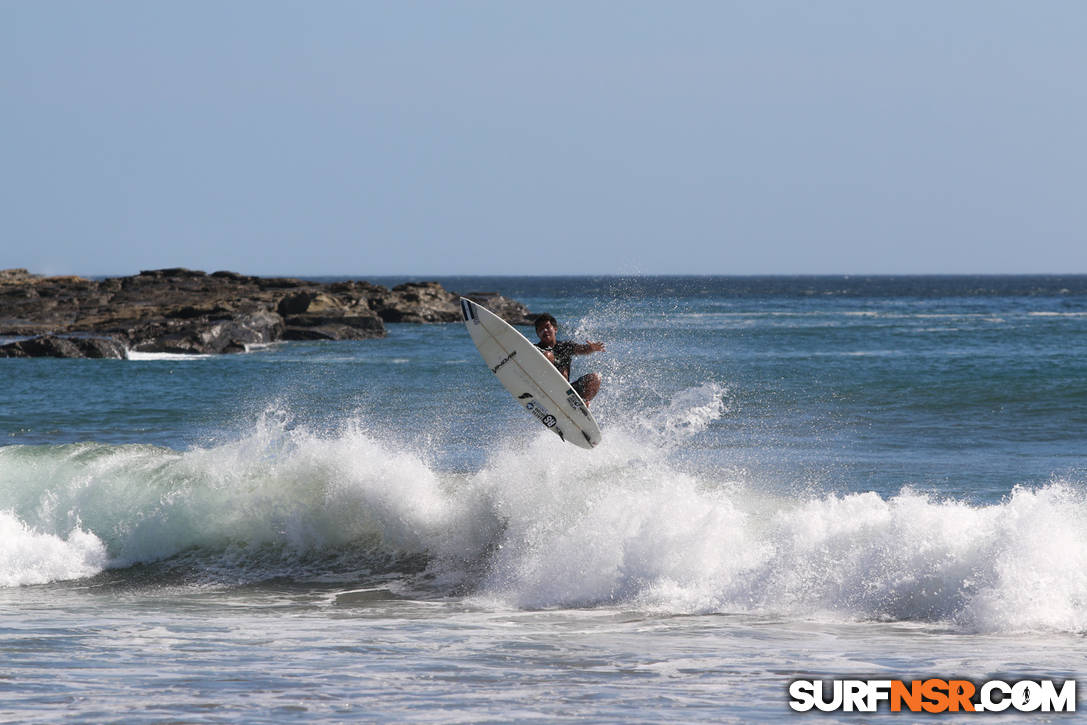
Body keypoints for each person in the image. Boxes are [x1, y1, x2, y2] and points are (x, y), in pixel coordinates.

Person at [532, 313, 605, 404]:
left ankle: (583, 404)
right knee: (547, 355)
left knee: (595, 378)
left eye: (547, 327)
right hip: (545, 390)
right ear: (537, 333)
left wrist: (591, 348)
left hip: (566, 393)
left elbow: (581, 349)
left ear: (555, 329)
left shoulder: (565, 346)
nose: (545, 330)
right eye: (541, 329)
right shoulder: (534, 348)